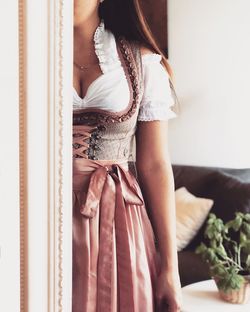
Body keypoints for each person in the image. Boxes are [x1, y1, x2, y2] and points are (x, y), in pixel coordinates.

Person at [73, 0, 182, 311]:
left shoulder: (142, 62)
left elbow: (155, 165)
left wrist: (171, 269)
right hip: (43, 212)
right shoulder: (26, 60)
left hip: (119, 218)